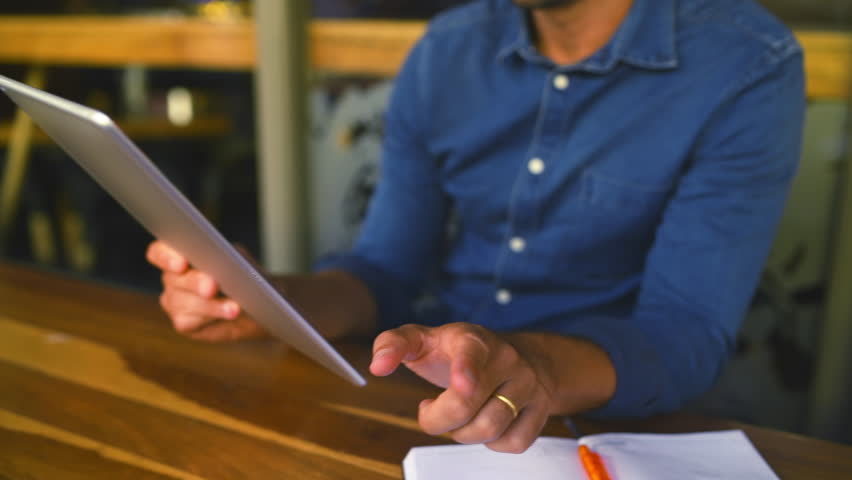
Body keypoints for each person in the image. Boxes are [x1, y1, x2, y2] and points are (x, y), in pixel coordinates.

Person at [147, 0, 805, 454]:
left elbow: (685, 334)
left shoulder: (746, 63)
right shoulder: (447, 50)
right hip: (430, 408)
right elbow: (385, 271)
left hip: (615, 431)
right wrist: (269, 298)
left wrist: (529, 366)